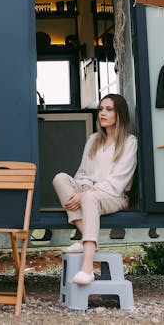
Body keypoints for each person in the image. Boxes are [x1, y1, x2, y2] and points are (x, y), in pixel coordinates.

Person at [52, 93, 137, 285]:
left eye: (109, 109)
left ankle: (87, 267)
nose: (102, 113)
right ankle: (86, 240)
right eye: (100, 109)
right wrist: (84, 186)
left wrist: (87, 192)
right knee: (60, 179)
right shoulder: (93, 140)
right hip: (89, 192)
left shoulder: (130, 142)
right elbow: (82, 173)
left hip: (114, 196)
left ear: (120, 114)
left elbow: (118, 182)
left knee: (89, 198)